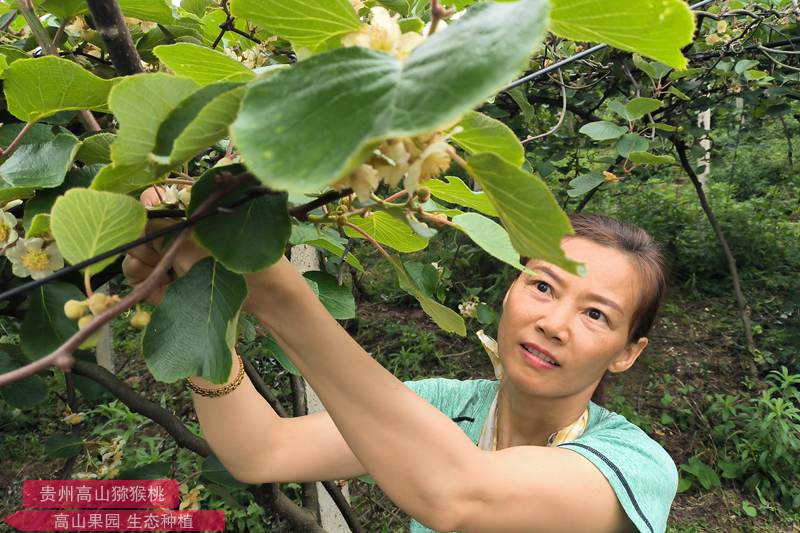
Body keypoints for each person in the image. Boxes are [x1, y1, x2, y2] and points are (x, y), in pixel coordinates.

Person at [123, 210, 678, 533]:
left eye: (596, 314)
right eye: (542, 286)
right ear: (510, 289)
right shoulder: (448, 407)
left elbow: (460, 493)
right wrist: (202, 315)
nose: (554, 322)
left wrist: (281, 299)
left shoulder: (635, 465)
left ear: (628, 351)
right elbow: (261, 452)